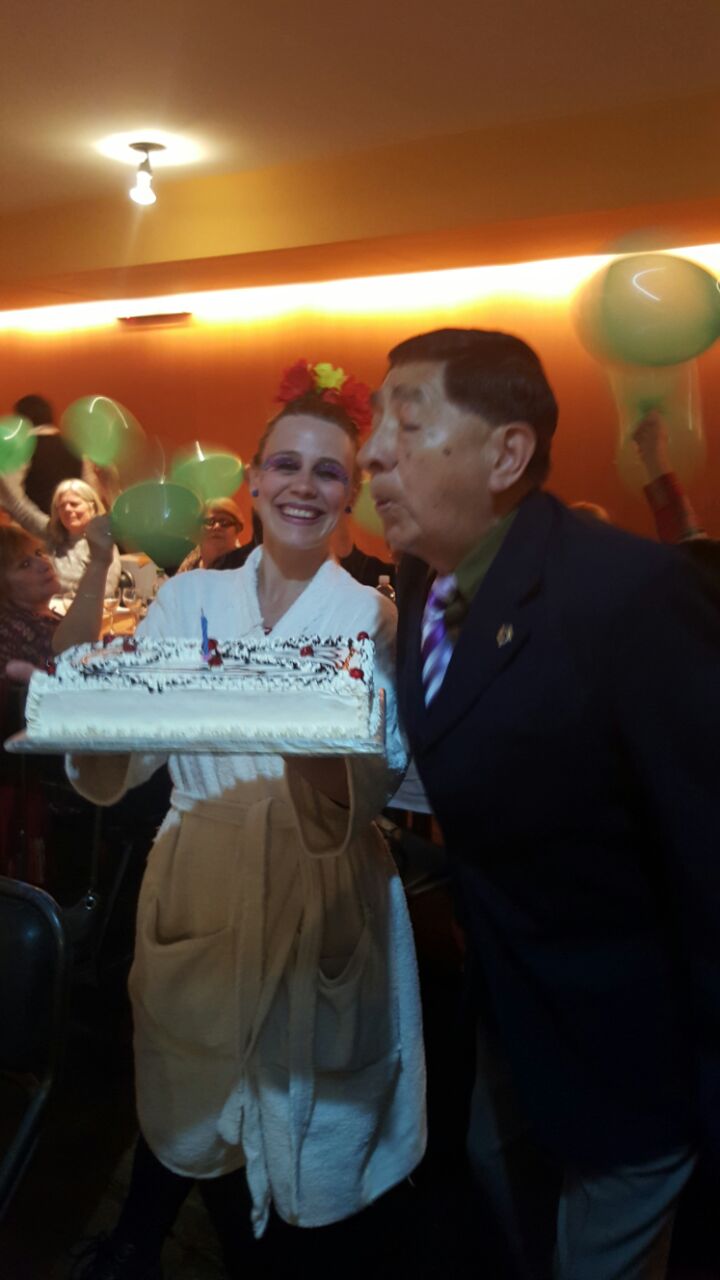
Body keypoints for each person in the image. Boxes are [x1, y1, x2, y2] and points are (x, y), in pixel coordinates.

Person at [359, 327, 720, 1280]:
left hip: (631, 1040)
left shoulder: (630, 594)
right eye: (374, 425)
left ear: (506, 454)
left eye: (406, 423)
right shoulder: (423, 577)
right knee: (497, 1182)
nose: (372, 453)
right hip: (512, 1007)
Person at [65, 361, 425, 1280]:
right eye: (286, 466)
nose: (305, 485)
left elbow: (378, 780)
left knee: (306, 1118)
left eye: (328, 471)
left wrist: (298, 726)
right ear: (255, 480)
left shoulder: (374, 618)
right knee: (194, 1098)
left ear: (350, 492)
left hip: (323, 882)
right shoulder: (189, 600)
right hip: (201, 875)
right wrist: (96, 710)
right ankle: (168, 1240)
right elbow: (131, 751)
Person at [0, 516, 115, 880]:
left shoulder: (40, 617)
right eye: (24, 564)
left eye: (37, 553)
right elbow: (71, 657)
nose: (42, 563)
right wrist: (99, 561)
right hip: (55, 778)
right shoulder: (12, 627)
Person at [5, 478, 121, 606]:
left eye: (74, 504)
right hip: (49, 610)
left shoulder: (102, 544)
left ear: (92, 507)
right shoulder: (51, 534)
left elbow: (106, 591)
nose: (67, 509)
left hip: (85, 611)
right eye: (61, 506)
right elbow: (18, 506)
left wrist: (57, 587)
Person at [176, 498, 244, 573]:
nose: (217, 526)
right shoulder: (189, 563)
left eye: (225, 522)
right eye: (210, 521)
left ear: (238, 529)